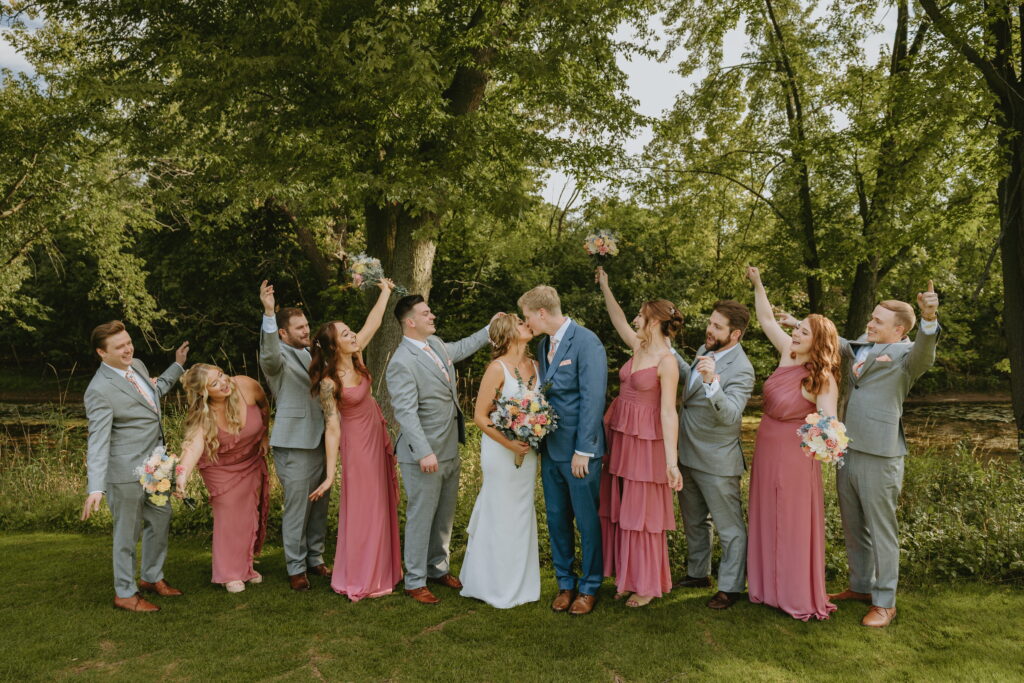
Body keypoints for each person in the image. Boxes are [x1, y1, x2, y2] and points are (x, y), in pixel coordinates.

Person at [816, 281, 939, 628]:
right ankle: (860, 587)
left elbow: (925, 351)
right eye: (871, 318)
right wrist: (800, 323)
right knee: (854, 526)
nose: (870, 324)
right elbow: (832, 340)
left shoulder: (907, 356)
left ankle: (885, 601)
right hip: (847, 448)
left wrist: (929, 318)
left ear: (898, 330)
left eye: (878, 321)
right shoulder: (861, 347)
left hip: (881, 455)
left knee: (882, 530)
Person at [385, 295, 495, 605]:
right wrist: (423, 452)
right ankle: (415, 580)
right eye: (425, 313)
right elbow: (405, 412)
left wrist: (490, 329)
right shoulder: (401, 362)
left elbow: (461, 348)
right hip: (423, 455)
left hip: (448, 448)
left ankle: (437, 568)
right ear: (410, 322)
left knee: (444, 515)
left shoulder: (435, 345)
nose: (432, 316)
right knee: (422, 516)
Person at [744, 266, 840, 621]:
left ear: (818, 341)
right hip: (767, 447)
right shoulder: (787, 352)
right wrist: (758, 283)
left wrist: (824, 440)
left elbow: (829, 423)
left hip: (795, 456)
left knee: (792, 520)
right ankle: (768, 589)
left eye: (804, 332)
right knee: (767, 514)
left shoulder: (822, 377)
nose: (796, 334)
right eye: (797, 328)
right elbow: (767, 319)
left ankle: (795, 593)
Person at [80, 320, 189, 612]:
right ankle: (125, 594)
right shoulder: (99, 390)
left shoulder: (137, 366)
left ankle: (152, 578)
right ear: (102, 353)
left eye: (128, 342)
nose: (128, 349)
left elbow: (154, 394)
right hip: (125, 473)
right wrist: (96, 488)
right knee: (127, 534)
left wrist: (177, 366)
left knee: (160, 521)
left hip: (156, 466)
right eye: (119, 347)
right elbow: (99, 441)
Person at [307, 279, 403, 601]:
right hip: (358, 448)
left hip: (376, 436)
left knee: (381, 504)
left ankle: (384, 570)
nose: (352, 335)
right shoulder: (329, 383)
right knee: (366, 509)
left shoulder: (356, 352)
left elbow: (373, 322)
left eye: (351, 331)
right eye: (344, 333)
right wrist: (331, 474)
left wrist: (385, 292)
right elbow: (332, 428)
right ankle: (364, 576)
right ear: (334, 346)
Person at [596, 267, 684, 608]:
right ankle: (629, 577)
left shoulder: (667, 362)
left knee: (644, 515)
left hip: (648, 445)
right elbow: (617, 318)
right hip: (622, 437)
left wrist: (671, 463)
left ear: (656, 322)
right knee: (624, 510)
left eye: (642, 316)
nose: (635, 320)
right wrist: (606, 285)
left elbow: (668, 412)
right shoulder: (638, 347)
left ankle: (647, 583)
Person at [519, 285, 608, 616]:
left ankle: (589, 586)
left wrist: (584, 449)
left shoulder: (587, 342)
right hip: (550, 449)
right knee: (557, 519)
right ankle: (565, 583)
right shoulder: (544, 345)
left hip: (580, 453)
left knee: (586, 520)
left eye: (528, 316)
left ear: (541, 313)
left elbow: (593, 397)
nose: (527, 322)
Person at [672, 299, 755, 610]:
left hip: (718, 461)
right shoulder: (704, 352)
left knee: (730, 528)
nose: (709, 329)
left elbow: (731, 415)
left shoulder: (742, 369)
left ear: (734, 334)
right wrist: (667, 350)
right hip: (687, 453)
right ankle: (698, 573)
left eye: (717, 326)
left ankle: (731, 587)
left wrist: (712, 382)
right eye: (710, 322)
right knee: (694, 521)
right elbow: (690, 385)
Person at [459, 314, 542, 609]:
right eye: (520, 323)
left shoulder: (536, 365)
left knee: (522, 511)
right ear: (507, 333)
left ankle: (522, 584)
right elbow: (480, 417)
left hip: (527, 450)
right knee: (501, 511)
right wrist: (510, 443)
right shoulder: (497, 369)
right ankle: (492, 583)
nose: (527, 324)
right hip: (500, 450)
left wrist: (535, 429)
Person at [258, 281, 331, 591]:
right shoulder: (277, 359)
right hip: (295, 443)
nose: (305, 330)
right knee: (298, 508)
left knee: (319, 506)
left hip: (322, 441)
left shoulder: (312, 354)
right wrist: (270, 312)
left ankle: (315, 558)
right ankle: (295, 567)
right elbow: (270, 354)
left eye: (307, 325)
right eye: (298, 328)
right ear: (283, 333)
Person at [176, 365, 270, 593]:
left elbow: (264, 406)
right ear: (204, 393)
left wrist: (265, 435)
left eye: (220, 375)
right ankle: (229, 572)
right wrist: (181, 477)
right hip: (221, 467)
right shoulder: (204, 415)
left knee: (249, 515)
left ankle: (246, 567)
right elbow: (192, 448)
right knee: (229, 516)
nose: (223, 383)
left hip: (250, 460)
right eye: (215, 384)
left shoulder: (246, 386)